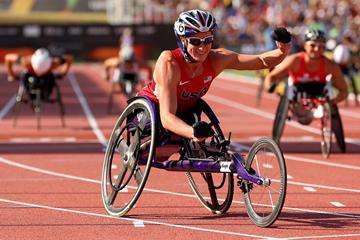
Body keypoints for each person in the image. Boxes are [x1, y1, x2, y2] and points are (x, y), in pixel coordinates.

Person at [137, 9, 292, 142]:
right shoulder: (169, 63)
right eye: (196, 42)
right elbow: (167, 117)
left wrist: (282, 51)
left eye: (208, 40)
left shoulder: (217, 59)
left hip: (187, 110)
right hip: (155, 110)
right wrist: (193, 132)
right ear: (183, 40)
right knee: (163, 151)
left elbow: (260, 61)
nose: (203, 47)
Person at [5, 48, 73, 100]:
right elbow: (8, 57)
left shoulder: (54, 63)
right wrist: (11, 74)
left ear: (49, 64)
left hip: (47, 77)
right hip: (30, 75)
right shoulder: (26, 61)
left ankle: (45, 93)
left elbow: (69, 58)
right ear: (32, 63)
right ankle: (31, 93)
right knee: (25, 78)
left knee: (50, 80)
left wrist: (63, 73)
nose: (40, 73)